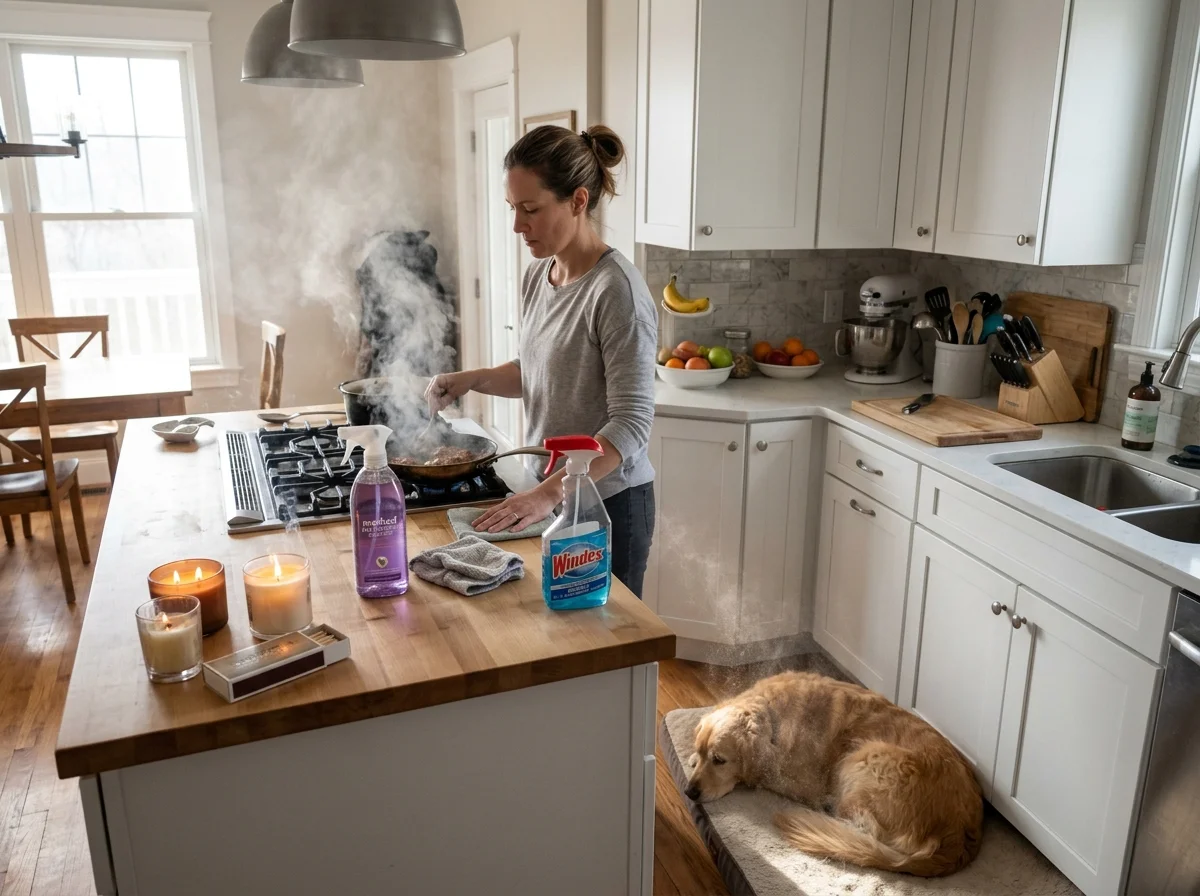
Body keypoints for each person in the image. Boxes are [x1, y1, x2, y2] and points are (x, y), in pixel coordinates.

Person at [425, 124, 658, 598]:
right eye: (513, 209)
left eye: (530, 210)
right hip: (550, 495)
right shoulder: (540, 274)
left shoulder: (617, 292)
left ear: (577, 200)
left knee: (603, 646)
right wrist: (470, 380)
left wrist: (550, 492)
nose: (517, 226)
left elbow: (632, 423)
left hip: (606, 503)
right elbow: (541, 372)